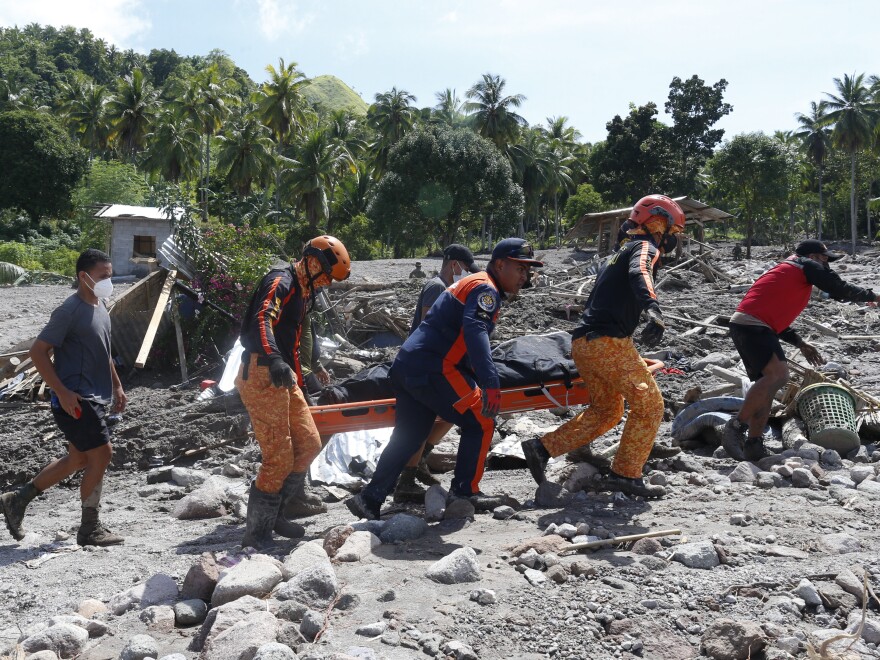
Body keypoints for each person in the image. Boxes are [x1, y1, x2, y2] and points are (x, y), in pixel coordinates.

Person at [347, 238, 544, 519]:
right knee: (482, 419)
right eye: (520, 268)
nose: (524, 276)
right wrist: (490, 383)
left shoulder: (475, 282)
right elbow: (476, 333)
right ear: (500, 265)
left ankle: (370, 498)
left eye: (527, 270)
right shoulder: (486, 289)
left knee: (411, 434)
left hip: (408, 364)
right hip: (435, 367)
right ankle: (464, 491)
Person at [521, 194, 687, 499]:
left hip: (585, 343)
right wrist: (652, 308)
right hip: (608, 343)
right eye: (670, 232)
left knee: (607, 411)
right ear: (657, 223)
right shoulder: (643, 247)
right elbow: (641, 272)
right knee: (650, 405)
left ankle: (541, 448)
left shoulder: (619, 252)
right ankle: (625, 474)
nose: (669, 240)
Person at [1, 249, 126, 546]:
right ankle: (89, 529)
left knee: (78, 458)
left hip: (95, 396)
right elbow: (37, 351)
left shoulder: (101, 306)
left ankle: (16, 500)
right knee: (102, 454)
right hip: (76, 400)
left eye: (110, 275)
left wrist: (118, 386)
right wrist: (62, 391)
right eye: (103, 276)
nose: (109, 281)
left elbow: (104, 352)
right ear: (84, 277)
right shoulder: (69, 311)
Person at [236, 235, 351, 549]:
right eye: (326, 276)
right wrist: (273, 358)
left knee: (309, 441)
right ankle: (257, 534)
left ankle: (277, 512)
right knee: (279, 456)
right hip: (262, 372)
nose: (326, 283)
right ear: (314, 262)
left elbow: (294, 345)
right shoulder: (281, 281)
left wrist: (302, 384)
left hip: (284, 375)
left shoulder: (303, 291)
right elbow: (263, 318)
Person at [722, 239, 879, 461]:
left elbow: (774, 315)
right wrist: (874, 296)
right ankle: (736, 426)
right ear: (816, 257)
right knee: (779, 375)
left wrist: (800, 343)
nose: (827, 265)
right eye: (826, 259)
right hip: (753, 325)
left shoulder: (788, 271)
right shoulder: (806, 264)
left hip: (751, 324)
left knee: (768, 384)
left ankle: (754, 444)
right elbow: (837, 287)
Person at [394, 244, 481, 503]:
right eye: (465, 269)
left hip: (436, 364)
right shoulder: (437, 287)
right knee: (426, 420)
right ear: (454, 265)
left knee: (449, 415)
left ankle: (418, 463)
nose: (466, 274)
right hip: (426, 365)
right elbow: (430, 326)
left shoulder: (447, 288)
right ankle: (406, 480)